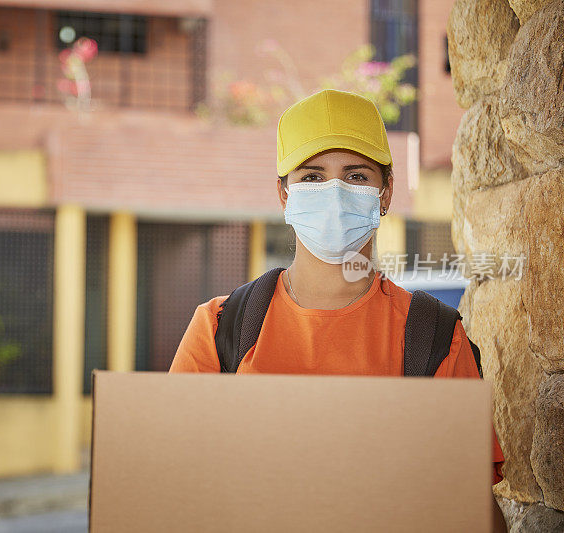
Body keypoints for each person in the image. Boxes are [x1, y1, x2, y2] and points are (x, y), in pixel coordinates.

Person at [169, 89, 507, 531]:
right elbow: (172, 483)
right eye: (311, 177)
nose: (334, 193)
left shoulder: (435, 337)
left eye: (356, 176)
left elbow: (470, 510)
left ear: (385, 193)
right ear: (284, 194)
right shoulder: (219, 330)